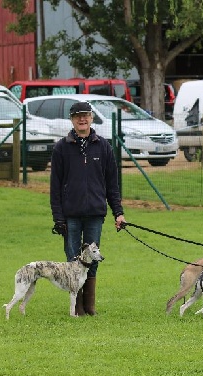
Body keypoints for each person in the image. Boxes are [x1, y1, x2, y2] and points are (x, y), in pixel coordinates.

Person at [50, 101, 126, 316]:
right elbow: (55, 187)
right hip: (70, 216)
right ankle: (77, 307)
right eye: (77, 116)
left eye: (86, 116)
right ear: (72, 120)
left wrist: (118, 212)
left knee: (91, 259)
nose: (82, 119)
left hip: (95, 214)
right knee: (73, 260)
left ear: (92, 118)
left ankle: (89, 306)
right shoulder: (61, 148)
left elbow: (112, 184)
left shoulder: (103, 146)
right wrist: (58, 217)